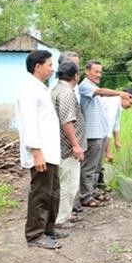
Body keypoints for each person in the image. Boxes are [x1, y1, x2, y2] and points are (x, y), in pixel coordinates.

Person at [15, 50, 67, 250]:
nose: (52, 68)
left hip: (50, 152)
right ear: (38, 66)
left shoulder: (41, 88)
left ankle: (48, 229)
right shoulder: (29, 90)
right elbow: (29, 124)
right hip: (41, 153)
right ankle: (35, 235)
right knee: (40, 194)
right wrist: (36, 152)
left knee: (53, 193)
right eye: (49, 64)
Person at [78, 60, 132, 207]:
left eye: (100, 72)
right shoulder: (85, 86)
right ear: (87, 71)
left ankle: (93, 191)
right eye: (96, 72)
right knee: (88, 167)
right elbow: (101, 92)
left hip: (100, 134)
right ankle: (85, 196)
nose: (98, 75)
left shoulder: (93, 86)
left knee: (96, 167)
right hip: (91, 134)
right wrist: (119, 93)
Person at [51, 61, 87, 228]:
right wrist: (76, 145)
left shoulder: (55, 89)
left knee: (64, 183)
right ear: (75, 76)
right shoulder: (66, 93)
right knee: (69, 185)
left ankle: (63, 214)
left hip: (58, 146)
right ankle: (61, 219)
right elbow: (67, 122)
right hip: (67, 148)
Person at [100, 88, 132, 183]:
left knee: (99, 161)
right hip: (95, 132)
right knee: (96, 161)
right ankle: (95, 186)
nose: (131, 106)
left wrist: (117, 141)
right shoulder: (112, 104)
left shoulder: (118, 104)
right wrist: (108, 152)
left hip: (100, 132)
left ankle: (99, 184)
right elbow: (107, 130)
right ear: (126, 96)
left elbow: (116, 124)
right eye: (131, 103)